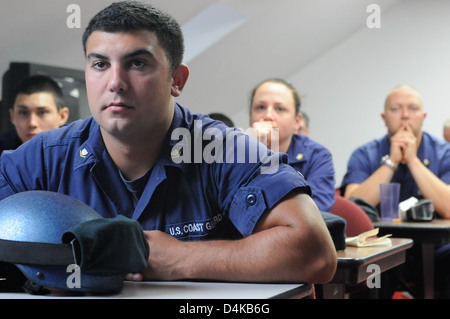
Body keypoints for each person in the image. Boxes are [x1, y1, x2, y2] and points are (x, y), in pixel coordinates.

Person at [0, 1, 336, 285]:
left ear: (176, 80)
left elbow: (315, 252)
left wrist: (182, 259)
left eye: (137, 63)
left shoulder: (223, 148)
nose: (115, 83)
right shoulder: (46, 156)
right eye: (100, 64)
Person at [341, 84, 450, 297]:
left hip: (438, 251)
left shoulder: (444, 152)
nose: (405, 116)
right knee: (365, 268)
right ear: (384, 117)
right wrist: (392, 161)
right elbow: (352, 205)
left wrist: (412, 160)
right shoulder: (365, 154)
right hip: (381, 248)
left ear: (424, 116)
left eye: (413, 109)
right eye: (396, 109)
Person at [249, 78, 336, 213]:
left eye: (280, 109)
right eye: (260, 107)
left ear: (297, 121)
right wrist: (252, 158)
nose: (268, 115)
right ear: (250, 116)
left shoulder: (318, 156)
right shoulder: (233, 154)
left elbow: (315, 212)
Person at [0, 75, 69, 156]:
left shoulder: (79, 150)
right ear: (12, 116)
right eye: (23, 113)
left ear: (62, 116)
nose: (32, 123)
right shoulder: (3, 148)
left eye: (42, 112)